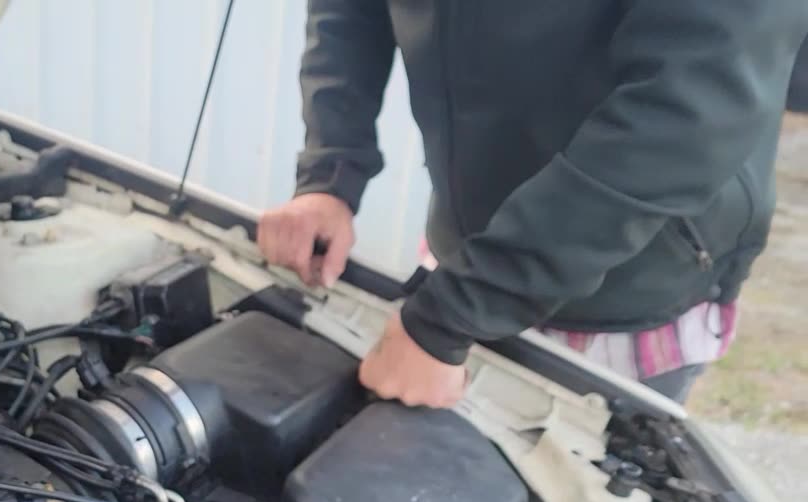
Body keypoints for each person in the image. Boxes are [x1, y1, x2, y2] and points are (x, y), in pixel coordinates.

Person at [258, 0, 808, 407]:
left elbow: (685, 118)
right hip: (468, 253)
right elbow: (348, 11)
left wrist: (452, 315)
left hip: (630, 285)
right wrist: (330, 175)